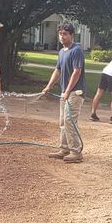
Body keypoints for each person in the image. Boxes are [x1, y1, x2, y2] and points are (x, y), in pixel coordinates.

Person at [40, 23, 86, 164]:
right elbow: (58, 70)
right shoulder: (62, 52)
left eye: (65, 34)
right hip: (65, 92)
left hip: (75, 92)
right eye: (60, 34)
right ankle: (64, 148)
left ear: (72, 35)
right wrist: (48, 86)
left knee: (69, 120)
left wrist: (67, 91)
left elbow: (76, 72)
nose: (62, 36)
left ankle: (76, 151)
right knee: (62, 121)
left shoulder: (76, 50)